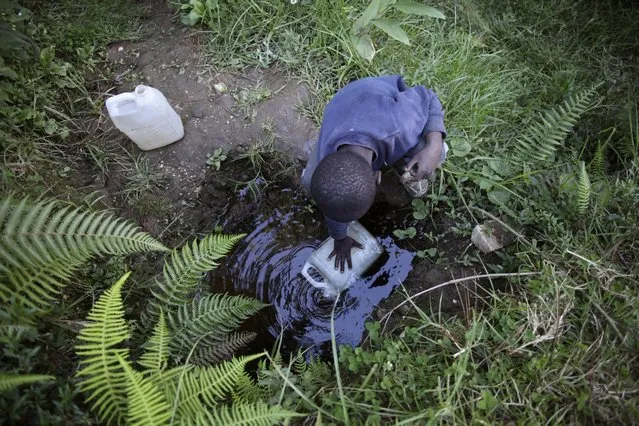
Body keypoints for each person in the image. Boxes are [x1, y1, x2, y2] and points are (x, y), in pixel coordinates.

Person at [301, 75, 448, 272]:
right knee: (309, 181)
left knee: (435, 153)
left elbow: (429, 98)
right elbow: (333, 207)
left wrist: (434, 146)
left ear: (377, 176)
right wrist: (339, 238)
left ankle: (419, 159)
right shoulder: (327, 148)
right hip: (347, 108)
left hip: (380, 99)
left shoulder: (400, 125)